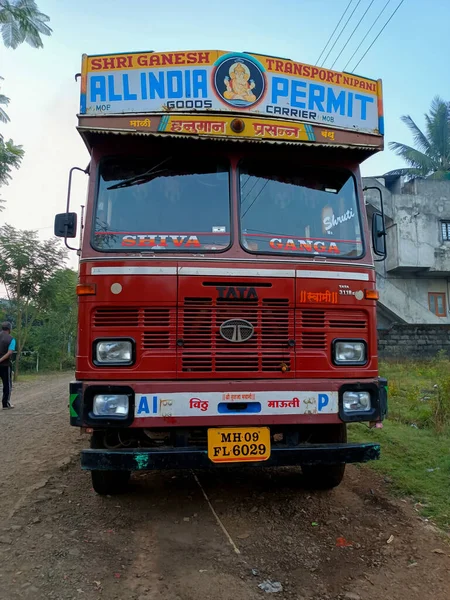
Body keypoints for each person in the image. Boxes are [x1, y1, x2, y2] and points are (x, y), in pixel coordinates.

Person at [0, 322, 15, 410]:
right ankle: (5, 404)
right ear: (9, 329)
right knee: (7, 384)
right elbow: (9, 352)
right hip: (5, 365)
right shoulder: (11, 339)